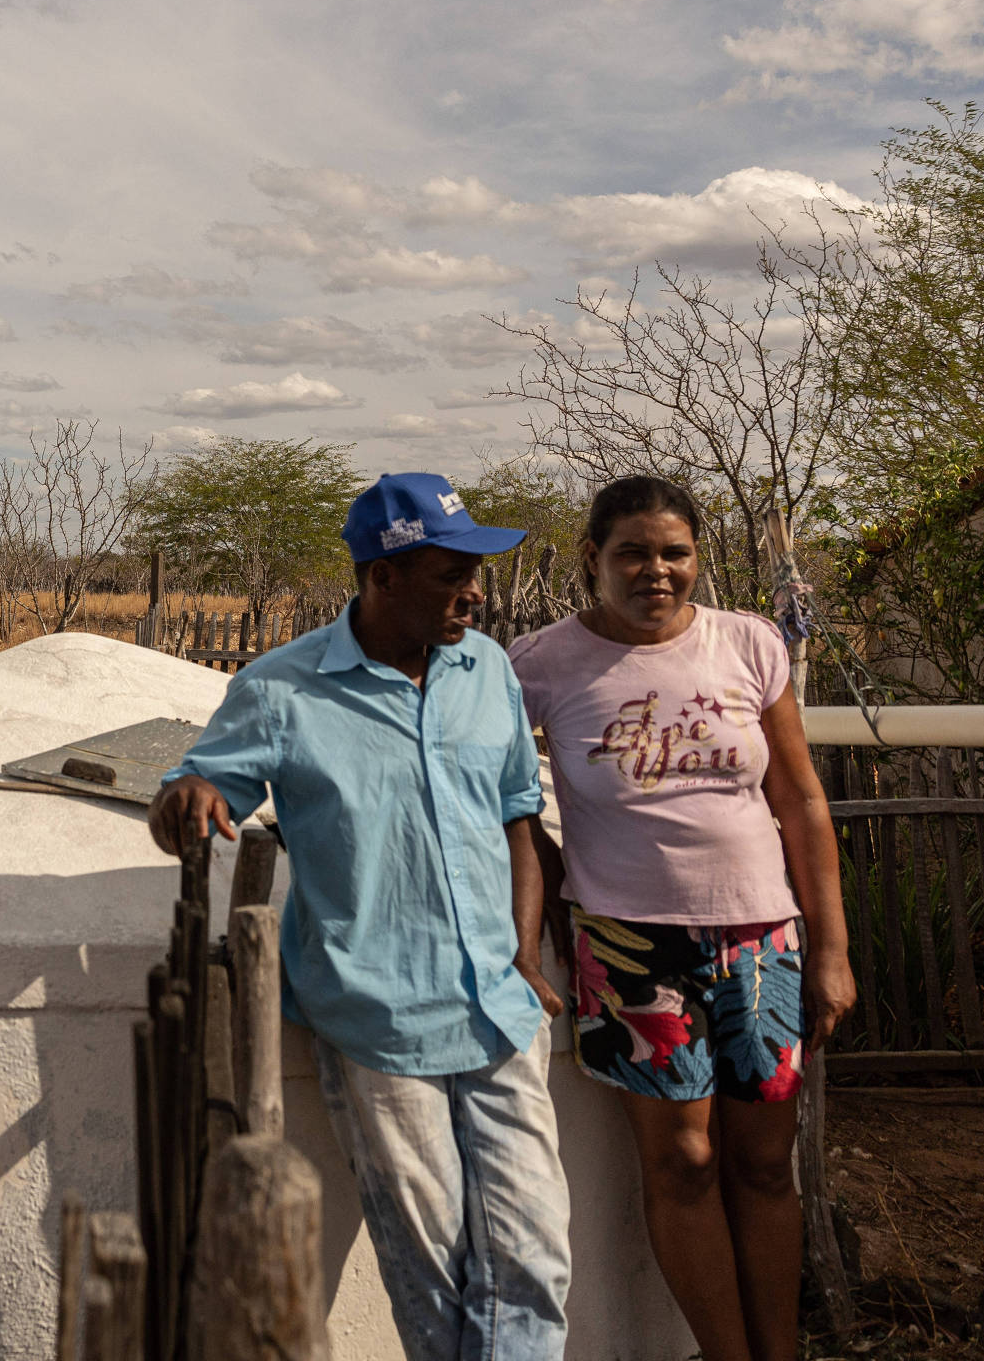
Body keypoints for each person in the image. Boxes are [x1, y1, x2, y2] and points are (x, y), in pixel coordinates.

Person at [148, 472, 569, 1361]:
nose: (477, 592)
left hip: (498, 1008)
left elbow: (519, 820)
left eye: (476, 570)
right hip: (378, 1019)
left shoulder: (486, 668)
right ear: (382, 578)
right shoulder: (280, 690)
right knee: (435, 1272)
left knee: (534, 1259)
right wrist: (183, 798)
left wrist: (526, 958)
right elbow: (190, 794)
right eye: (453, 572)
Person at [508, 476, 852, 1361]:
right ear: (593, 559)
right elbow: (503, 803)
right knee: (683, 1165)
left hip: (761, 940)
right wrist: (547, 904)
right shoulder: (540, 665)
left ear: (695, 558)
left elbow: (802, 802)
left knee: (765, 1165)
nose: (655, 571)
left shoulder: (748, 643)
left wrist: (831, 949)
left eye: (674, 553)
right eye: (632, 552)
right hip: (626, 946)